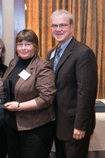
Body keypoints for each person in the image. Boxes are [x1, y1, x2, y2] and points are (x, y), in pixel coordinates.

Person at [47, 9, 98, 158]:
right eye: (54, 25)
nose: (58, 29)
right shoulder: (52, 52)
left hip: (74, 126)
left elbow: (86, 93)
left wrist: (80, 125)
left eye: (62, 25)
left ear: (72, 27)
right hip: (58, 124)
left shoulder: (83, 53)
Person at [2, 29, 56, 158]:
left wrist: (19, 106)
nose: (23, 48)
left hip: (35, 130)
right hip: (12, 126)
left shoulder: (42, 66)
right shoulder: (13, 63)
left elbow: (46, 98)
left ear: (35, 46)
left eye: (28, 44)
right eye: (20, 44)